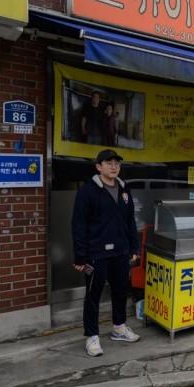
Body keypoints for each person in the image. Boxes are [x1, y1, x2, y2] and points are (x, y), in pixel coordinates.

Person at [72, 149, 141, 357]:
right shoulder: (88, 191)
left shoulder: (123, 188)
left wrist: (134, 247)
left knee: (120, 290)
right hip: (96, 253)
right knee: (93, 295)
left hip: (121, 251)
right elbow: (78, 225)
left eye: (117, 163)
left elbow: (130, 221)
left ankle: (119, 327)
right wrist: (80, 256)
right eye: (109, 162)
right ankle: (92, 336)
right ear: (98, 166)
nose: (114, 166)